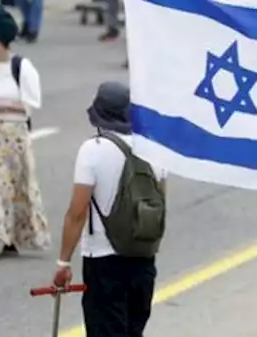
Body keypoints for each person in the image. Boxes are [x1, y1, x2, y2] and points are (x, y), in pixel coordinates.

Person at [53, 82, 168, 337]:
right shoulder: (154, 148)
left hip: (104, 261)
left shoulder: (93, 150)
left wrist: (63, 262)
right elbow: (160, 201)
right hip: (143, 258)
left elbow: (77, 212)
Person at [0, 5, 49, 256]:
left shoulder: (22, 67)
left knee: (13, 187)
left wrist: (0, 105)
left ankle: (7, 236)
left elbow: (30, 104)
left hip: (14, 139)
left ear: (1, 37)